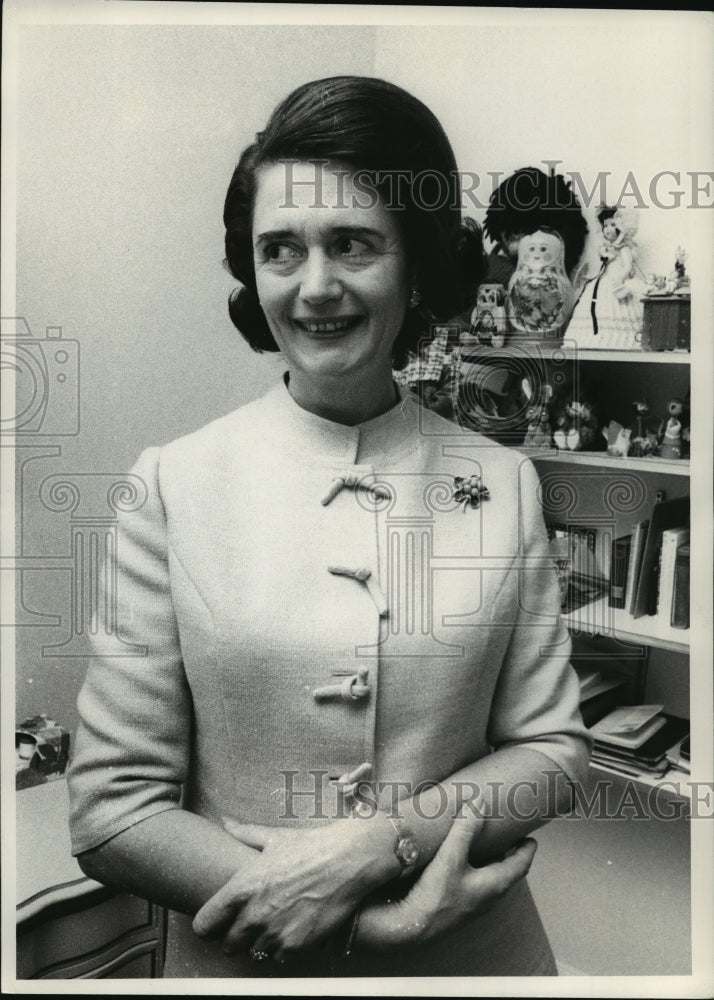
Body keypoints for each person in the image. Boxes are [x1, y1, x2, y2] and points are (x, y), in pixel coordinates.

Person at [67, 75, 591, 979]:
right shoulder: (170, 485)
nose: (316, 288)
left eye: (353, 244)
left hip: (474, 961)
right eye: (281, 250)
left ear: (416, 262)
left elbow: (554, 752)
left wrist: (374, 848)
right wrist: (346, 921)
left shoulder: (503, 480)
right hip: (249, 964)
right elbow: (113, 811)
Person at [565, 205, 645, 350]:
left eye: (612, 225)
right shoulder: (608, 247)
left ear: (621, 228)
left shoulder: (623, 248)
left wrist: (619, 279)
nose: (607, 229)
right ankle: (591, 338)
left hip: (617, 281)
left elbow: (626, 267)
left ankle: (621, 339)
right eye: (605, 225)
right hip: (604, 281)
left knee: (620, 309)